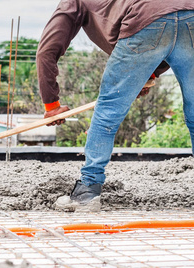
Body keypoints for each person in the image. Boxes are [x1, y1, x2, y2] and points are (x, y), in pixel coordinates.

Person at [37, 0, 194, 212]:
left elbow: (47, 50)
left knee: (107, 114)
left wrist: (51, 104)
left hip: (145, 19)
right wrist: (147, 73)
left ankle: (87, 191)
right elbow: (171, 27)